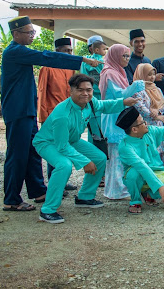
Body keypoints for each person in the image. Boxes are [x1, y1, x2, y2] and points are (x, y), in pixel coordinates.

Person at [1, 16, 98, 212]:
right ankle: (11, 199)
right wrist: (81, 59)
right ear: (16, 34)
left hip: (26, 111)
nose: (32, 35)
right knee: (17, 155)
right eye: (29, 32)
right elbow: (46, 57)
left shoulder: (20, 51)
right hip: (18, 112)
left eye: (33, 32)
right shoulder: (14, 51)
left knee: (32, 152)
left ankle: (38, 191)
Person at [33, 74, 137, 223]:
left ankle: (85, 197)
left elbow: (103, 105)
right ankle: (48, 210)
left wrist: (123, 102)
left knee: (100, 158)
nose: (85, 93)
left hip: (72, 140)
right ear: (71, 91)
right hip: (48, 143)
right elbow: (62, 146)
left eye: (88, 90)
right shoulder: (62, 115)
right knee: (64, 165)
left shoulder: (90, 103)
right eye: (80, 90)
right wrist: (85, 162)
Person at [100, 44, 146, 200]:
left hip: (119, 115)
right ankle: (116, 191)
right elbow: (119, 95)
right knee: (116, 156)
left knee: (121, 155)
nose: (127, 59)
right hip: (113, 117)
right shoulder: (109, 73)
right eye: (124, 56)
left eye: (128, 56)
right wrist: (134, 87)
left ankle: (119, 188)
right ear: (114, 56)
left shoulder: (118, 71)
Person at [37, 37, 77, 190]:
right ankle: (55, 183)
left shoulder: (70, 67)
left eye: (71, 51)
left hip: (67, 115)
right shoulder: (47, 67)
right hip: (52, 115)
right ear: (57, 51)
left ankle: (63, 181)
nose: (69, 53)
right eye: (66, 51)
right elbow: (42, 92)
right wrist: (43, 117)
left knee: (65, 146)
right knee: (54, 149)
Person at [132, 63, 164, 166]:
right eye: (149, 75)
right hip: (145, 126)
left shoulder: (157, 89)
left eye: (153, 74)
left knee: (161, 155)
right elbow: (140, 108)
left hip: (158, 126)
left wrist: (158, 111)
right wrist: (155, 115)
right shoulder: (137, 91)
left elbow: (163, 104)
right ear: (141, 75)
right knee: (148, 155)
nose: (152, 77)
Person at [80, 37, 107, 144]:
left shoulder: (84, 62)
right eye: (103, 49)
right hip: (99, 98)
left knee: (94, 129)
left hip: (90, 99)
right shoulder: (102, 62)